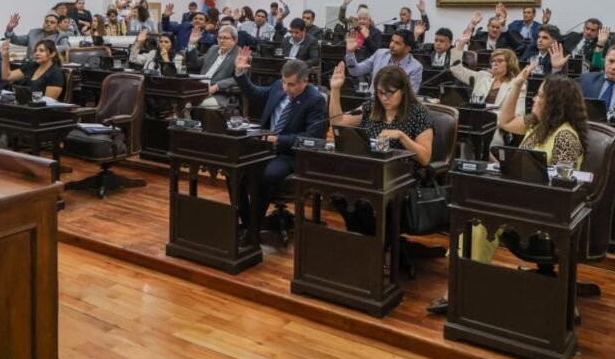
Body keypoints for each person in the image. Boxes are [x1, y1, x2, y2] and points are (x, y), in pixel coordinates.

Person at [429, 65, 588, 316]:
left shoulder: (565, 137)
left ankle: (461, 287)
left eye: (540, 96)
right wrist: (517, 84)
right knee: (473, 217)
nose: (535, 99)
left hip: (545, 212)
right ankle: (462, 282)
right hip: (521, 200)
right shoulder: (538, 124)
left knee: (480, 223)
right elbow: (504, 121)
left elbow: (558, 188)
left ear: (555, 103)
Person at [328, 63, 434, 234]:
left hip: (402, 177)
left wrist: (401, 136)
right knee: (339, 195)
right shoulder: (371, 107)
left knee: (365, 203)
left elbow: (425, 157)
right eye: (380, 93)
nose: (384, 98)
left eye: (389, 93)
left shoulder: (418, 113)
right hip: (370, 173)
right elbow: (338, 122)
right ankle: (366, 242)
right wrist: (335, 90)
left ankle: (375, 243)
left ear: (403, 91)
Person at [233, 51, 327, 223]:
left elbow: (312, 137)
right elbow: (254, 93)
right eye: (284, 82)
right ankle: (247, 221)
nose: (286, 88)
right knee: (234, 167)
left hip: (289, 154)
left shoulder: (315, 100)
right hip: (264, 147)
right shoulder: (278, 86)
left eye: (291, 84)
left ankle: (254, 225)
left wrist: (278, 140)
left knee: (266, 174)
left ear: (305, 81)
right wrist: (240, 73)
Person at [450, 26, 521, 107]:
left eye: (499, 61)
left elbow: (519, 112)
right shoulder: (482, 76)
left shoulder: (516, 84)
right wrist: (461, 44)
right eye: (493, 61)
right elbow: (456, 69)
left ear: (509, 64)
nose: (495, 63)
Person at [345, 28, 424, 93]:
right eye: (392, 41)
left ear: (407, 49)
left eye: (397, 43)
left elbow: (410, 95)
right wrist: (350, 52)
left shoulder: (415, 67)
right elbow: (355, 71)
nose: (392, 45)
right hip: (373, 102)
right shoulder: (380, 54)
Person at [185, 24, 238, 107]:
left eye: (225, 38)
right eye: (219, 38)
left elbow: (237, 78)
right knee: (179, 99)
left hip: (218, 94)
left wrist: (216, 86)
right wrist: (192, 44)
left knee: (188, 104)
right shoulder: (213, 49)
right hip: (199, 89)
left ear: (235, 40)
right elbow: (195, 64)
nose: (222, 40)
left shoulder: (239, 55)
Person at [0, 39, 64, 100]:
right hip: (25, 104)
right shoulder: (32, 66)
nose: (37, 53)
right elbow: (7, 76)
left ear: (52, 54)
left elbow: (49, 100)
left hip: (39, 107)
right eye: (36, 51)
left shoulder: (56, 73)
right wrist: (5, 56)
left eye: (41, 51)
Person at [4, 12, 71, 58]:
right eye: (46, 21)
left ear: (57, 26)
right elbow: (16, 40)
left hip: (49, 67)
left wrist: (47, 49)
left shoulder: (61, 36)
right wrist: (9, 29)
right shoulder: (33, 33)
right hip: (30, 65)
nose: (48, 24)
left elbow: (66, 47)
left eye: (52, 22)